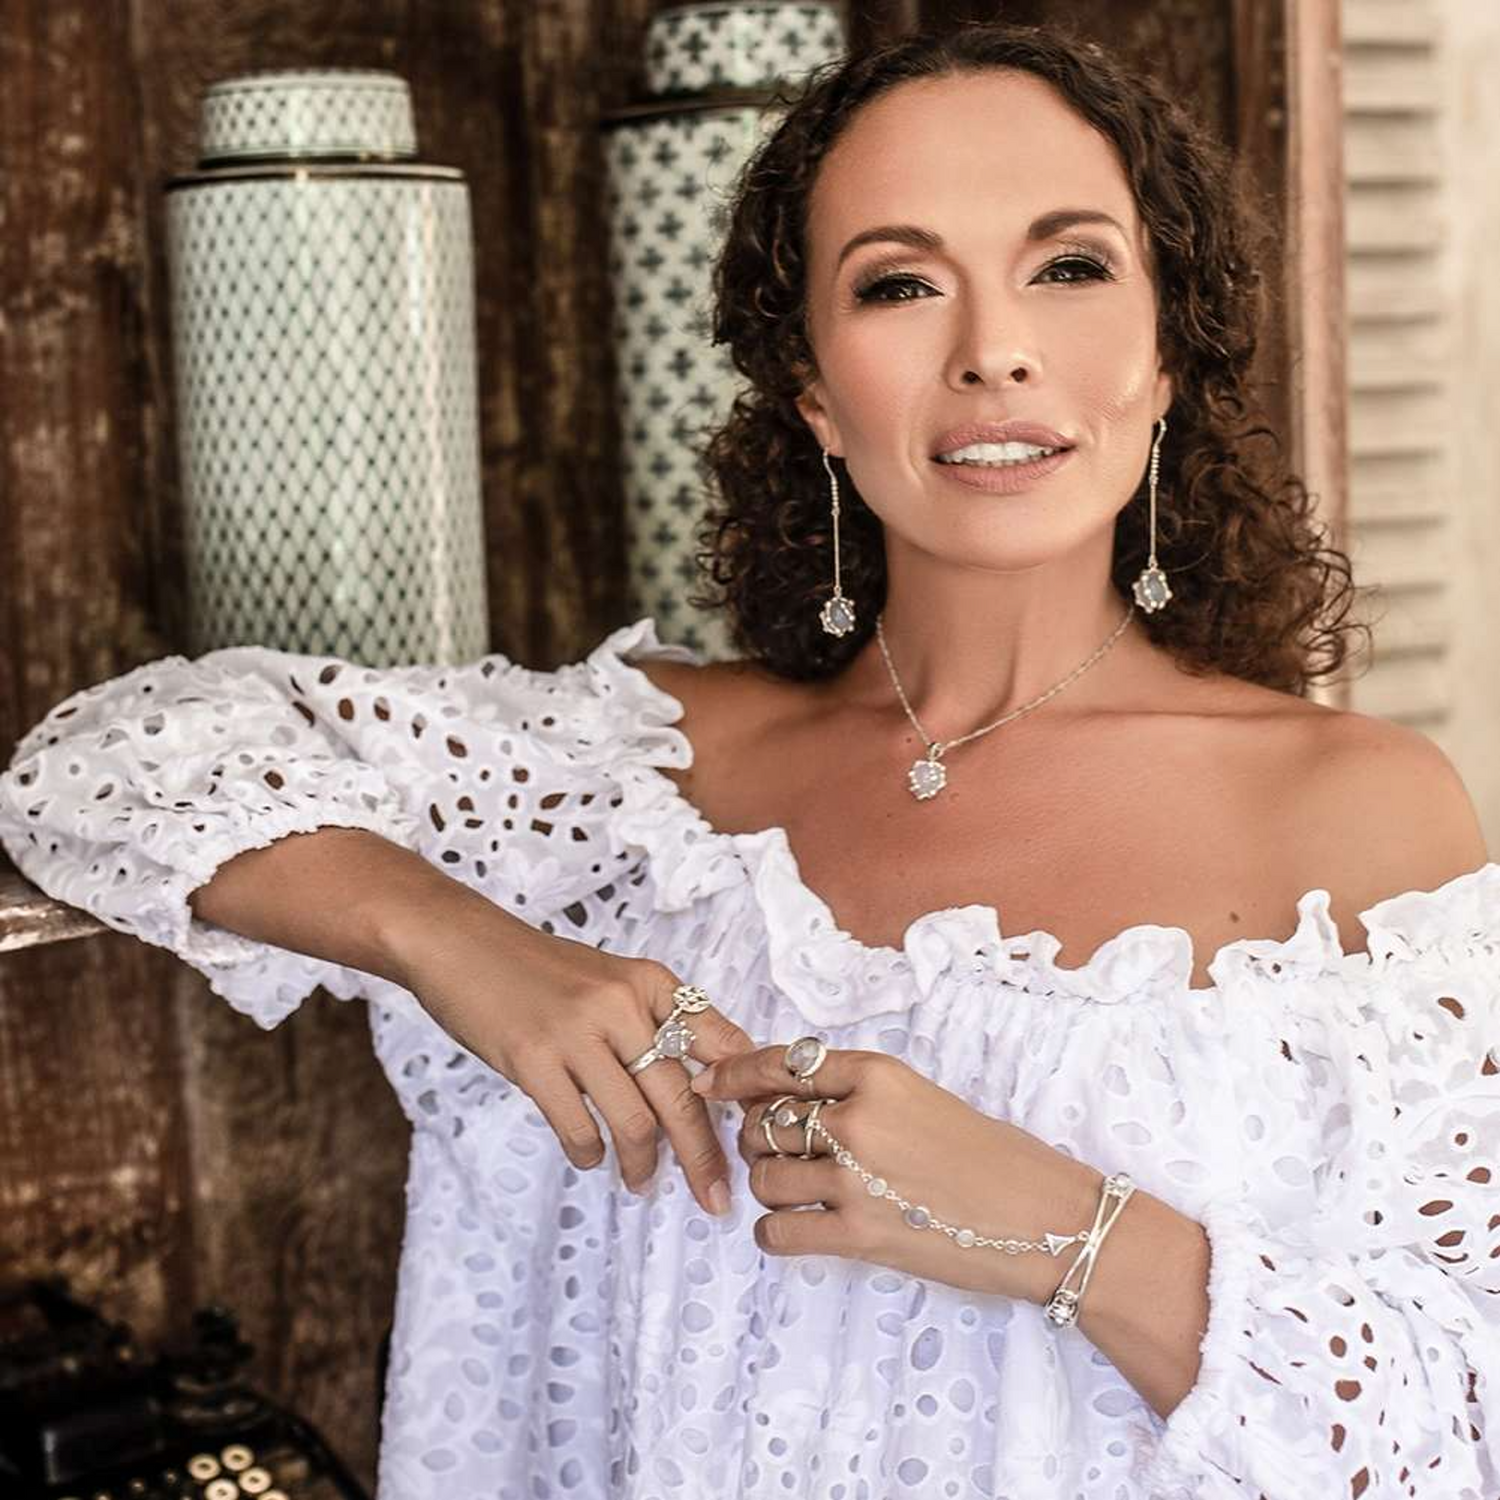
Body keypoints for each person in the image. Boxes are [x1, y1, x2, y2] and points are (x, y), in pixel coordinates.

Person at [2, 19, 1496, 1499]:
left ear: (1168, 356)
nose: (994, 351)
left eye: (1071, 265)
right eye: (901, 284)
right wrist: (463, 944)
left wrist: (1058, 1227)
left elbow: (1458, 1412)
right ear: (815, 396)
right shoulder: (636, 788)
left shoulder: (1361, 820)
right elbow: (99, 765)